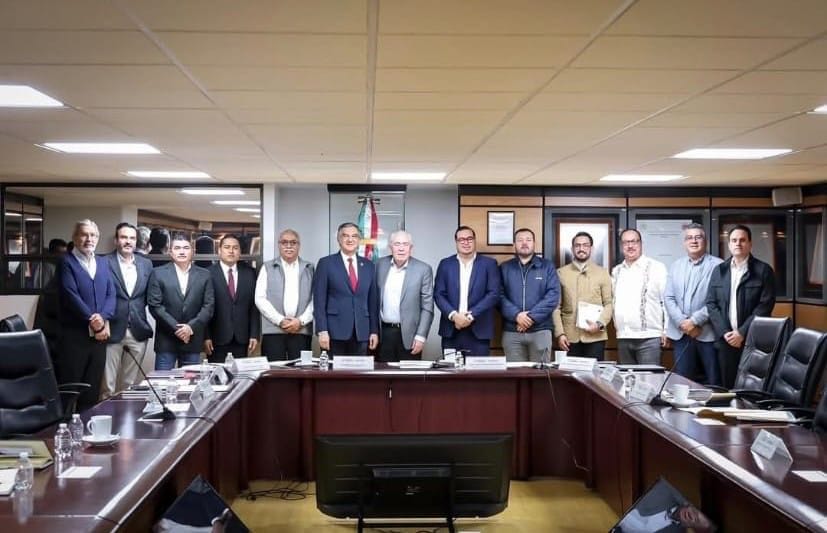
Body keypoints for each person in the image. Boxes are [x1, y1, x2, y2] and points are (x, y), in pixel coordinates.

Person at [706, 224, 776, 388]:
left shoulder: (763, 270)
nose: (738, 243)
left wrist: (742, 333)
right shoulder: (719, 271)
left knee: (752, 387)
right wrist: (725, 333)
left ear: (750, 244)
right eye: (734, 240)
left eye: (742, 240)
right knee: (728, 387)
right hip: (726, 341)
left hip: (753, 341)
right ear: (729, 244)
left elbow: (765, 306)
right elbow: (711, 303)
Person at [56, 219, 116, 410]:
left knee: (92, 390)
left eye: (93, 235)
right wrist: (93, 320)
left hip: (99, 338)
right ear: (75, 237)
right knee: (70, 389)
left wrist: (103, 317)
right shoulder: (66, 261)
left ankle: (86, 428)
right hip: (75, 337)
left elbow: (111, 294)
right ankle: (64, 427)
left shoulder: (103, 262)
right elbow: (70, 294)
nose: (89, 239)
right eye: (84, 234)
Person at [664, 223, 723, 385]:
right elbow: (668, 297)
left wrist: (695, 321)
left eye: (698, 237)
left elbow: (720, 299)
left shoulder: (719, 266)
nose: (694, 241)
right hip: (681, 334)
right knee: (683, 383)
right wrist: (683, 323)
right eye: (689, 238)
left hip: (708, 334)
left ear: (706, 241)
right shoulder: (676, 266)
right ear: (684, 242)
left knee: (714, 383)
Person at [102, 223, 154, 399]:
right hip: (111, 329)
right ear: (116, 240)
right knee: (107, 385)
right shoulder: (103, 262)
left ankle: (125, 415)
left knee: (130, 385)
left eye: (132, 238)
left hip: (137, 329)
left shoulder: (146, 264)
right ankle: (105, 414)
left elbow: (148, 295)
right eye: (124, 237)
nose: (128, 241)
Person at [148, 234, 214, 370]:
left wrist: (190, 328)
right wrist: (177, 329)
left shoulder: (204, 274)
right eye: (177, 248)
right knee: (162, 381)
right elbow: (155, 306)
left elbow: (208, 306)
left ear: (192, 251)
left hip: (193, 339)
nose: (182, 251)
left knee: (190, 381)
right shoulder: (158, 273)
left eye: (186, 248)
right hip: (166, 340)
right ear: (170, 252)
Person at [313, 222, 379, 356]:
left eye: (354, 236)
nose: (350, 239)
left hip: (361, 332)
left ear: (359, 240)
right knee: (333, 369)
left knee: (359, 370)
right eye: (345, 236)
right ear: (338, 239)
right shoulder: (326, 263)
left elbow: (373, 302)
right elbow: (319, 301)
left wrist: (374, 331)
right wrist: (322, 331)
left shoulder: (369, 266)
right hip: (333, 333)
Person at [434, 226, 500, 356]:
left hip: (479, 330)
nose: (466, 242)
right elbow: (438, 294)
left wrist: (469, 316)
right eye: (461, 239)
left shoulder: (489, 264)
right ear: (456, 242)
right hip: (451, 329)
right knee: (451, 368)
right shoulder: (445, 264)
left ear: (474, 240)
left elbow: (493, 294)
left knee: (478, 369)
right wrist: (454, 316)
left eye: (469, 238)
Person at [499, 228, 559, 362]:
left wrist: (530, 317)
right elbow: (499, 296)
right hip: (512, 331)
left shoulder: (547, 266)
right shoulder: (504, 268)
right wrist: (517, 315)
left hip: (541, 330)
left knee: (541, 373)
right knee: (514, 373)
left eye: (528, 240)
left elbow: (553, 296)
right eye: (520, 240)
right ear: (514, 244)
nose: (524, 243)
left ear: (534, 243)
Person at [552, 231, 613, 360]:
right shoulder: (561, 273)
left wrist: (599, 324)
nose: (581, 248)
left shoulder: (602, 273)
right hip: (569, 337)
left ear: (592, 248)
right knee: (568, 372)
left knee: (594, 373)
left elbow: (609, 303)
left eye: (585, 245)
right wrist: (560, 334)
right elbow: (556, 308)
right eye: (577, 245)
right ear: (572, 249)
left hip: (595, 337)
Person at [256, 229, 314, 360]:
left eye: (293, 242)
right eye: (284, 242)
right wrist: (280, 320)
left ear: (299, 245)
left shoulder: (310, 268)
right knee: (274, 369)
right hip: (273, 331)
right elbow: (260, 298)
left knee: (301, 369)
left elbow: (316, 299)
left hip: (301, 330)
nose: (289, 246)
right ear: (279, 245)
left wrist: (301, 321)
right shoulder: (267, 267)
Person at [376, 230, 434, 361]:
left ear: (411, 247)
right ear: (390, 247)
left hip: (410, 336)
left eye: (405, 244)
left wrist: (421, 336)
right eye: (397, 244)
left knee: (409, 374)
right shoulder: (379, 265)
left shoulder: (423, 269)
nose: (401, 248)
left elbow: (427, 307)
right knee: (383, 372)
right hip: (383, 334)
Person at [612, 229, 668, 365]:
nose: (630, 246)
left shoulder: (657, 268)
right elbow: (613, 302)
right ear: (621, 245)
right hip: (624, 337)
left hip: (649, 338)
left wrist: (666, 330)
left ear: (641, 243)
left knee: (649, 378)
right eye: (626, 242)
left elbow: (666, 301)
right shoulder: (616, 271)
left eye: (634, 241)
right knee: (627, 378)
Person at [204, 234, 260, 363]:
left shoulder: (250, 273)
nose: (231, 251)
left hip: (242, 338)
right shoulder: (207, 273)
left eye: (235, 248)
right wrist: (205, 336)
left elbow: (254, 307)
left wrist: (254, 334)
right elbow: (204, 307)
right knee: (217, 374)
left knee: (240, 374)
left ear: (240, 252)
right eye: (227, 247)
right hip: (216, 338)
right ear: (219, 251)